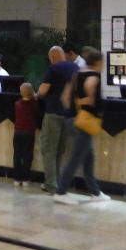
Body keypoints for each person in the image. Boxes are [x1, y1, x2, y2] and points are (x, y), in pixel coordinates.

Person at [54, 47, 111, 204]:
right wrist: (87, 104)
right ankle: (60, 191)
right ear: (98, 62)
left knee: (88, 156)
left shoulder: (76, 74)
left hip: (72, 119)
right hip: (84, 122)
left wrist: (72, 112)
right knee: (77, 158)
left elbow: (65, 97)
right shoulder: (94, 76)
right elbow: (90, 97)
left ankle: (95, 192)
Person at [37, 46, 79, 194]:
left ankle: (50, 184)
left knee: (49, 149)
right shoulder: (75, 67)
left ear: (52, 57)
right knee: (59, 151)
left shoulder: (53, 69)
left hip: (53, 112)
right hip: (68, 114)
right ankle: (57, 182)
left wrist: (38, 93)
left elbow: (42, 91)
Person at [12, 82, 39, 186]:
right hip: (29, 132)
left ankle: (16, 178)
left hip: (18, 132)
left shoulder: (17, 104)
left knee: (17, 155)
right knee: (28, 155)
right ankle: (25, 178)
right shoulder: (34, 104)